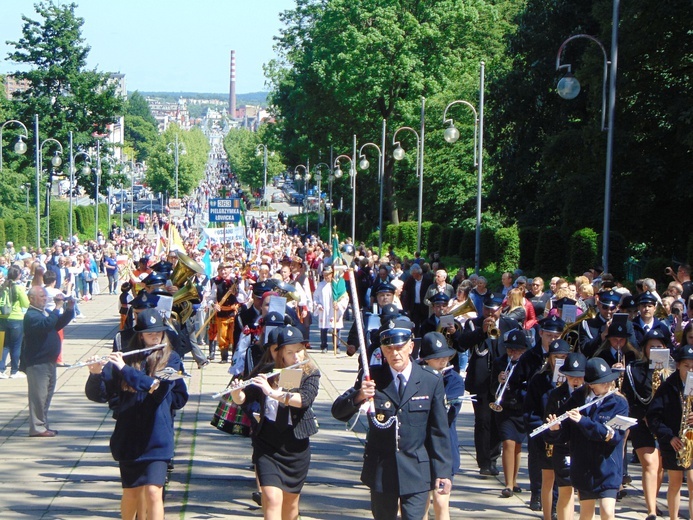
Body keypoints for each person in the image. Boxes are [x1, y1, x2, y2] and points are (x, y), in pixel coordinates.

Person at [332, 326, 452, 520]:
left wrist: (443, 472)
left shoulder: (430, 380)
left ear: (411, 347)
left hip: (417, 470)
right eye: (389, 349)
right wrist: (360, 395)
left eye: (399, 348)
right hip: (382, 471)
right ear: (382, 351)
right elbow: (338, 412)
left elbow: (439, 431)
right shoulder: (372, 378)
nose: (395, 353)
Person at [85, 308, 189, 520]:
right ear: (139, 335)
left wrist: (124, 369)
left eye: (158, 332)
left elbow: (156, 389)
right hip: (129, 436)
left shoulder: (172, 359)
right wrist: (95, 374)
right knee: (131, 494)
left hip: (157, 436)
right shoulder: (125, 359)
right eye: (149, 332)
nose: (154, 336)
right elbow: (100, 395)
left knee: (153, 491)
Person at [230, 325, 320, 520]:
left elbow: (303, 400)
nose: (296, 356)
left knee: (290, 505)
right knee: (271, 498)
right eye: (290, 352)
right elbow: (244, 399)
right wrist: (237, 393)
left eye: (299, 350)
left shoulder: (309, 372)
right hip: (267, 444)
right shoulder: (267, 372)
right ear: (279, 354)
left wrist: (272, 393)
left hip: (294, 446)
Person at [547, 358, 629, 520]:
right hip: (584, 467)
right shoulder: (577, 399)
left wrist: (584, 421)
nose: (608, 385)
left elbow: (613, 436)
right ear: (590, 384)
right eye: (602, 382)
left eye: (609, 381)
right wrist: (555, 429)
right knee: (586, 514)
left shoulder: (619, 402)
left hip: (608, 467)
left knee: (607, 511)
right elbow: (566, 434)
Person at [621, 329, 668, 520]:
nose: (656, 350)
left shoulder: (671, 371)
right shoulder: (633, 369)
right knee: (649, 463)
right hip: (642, 423)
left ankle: (653, 501)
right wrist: (643, 416)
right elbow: (628, 399)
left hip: (665, 425)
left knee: (659, 468)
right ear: (645, 349)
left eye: (660, 347)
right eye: (652, 347)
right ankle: (651, 511)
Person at [418, 331, 464, 520]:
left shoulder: (453, 380)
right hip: (420, 447)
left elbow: (447, 416)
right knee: (419, 503)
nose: (443, 361)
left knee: (441, 500)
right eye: (437, 358)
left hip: (444, 448)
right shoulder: (416, 377)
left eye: (445, 356)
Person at [646, 344, 693, 520]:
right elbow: (653, 417)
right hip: (674, 441)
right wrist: (669, 437)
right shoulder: (667, 387)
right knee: (675, 482)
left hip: (692, 439)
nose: (690, 370)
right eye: (686, 366)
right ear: (679, 365)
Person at [21, 285, 75, 436]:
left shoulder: (42, 313)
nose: (45, 299)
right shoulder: (31, 315)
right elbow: (46, 325)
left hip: (49, 361)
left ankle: (42, 425)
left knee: (46, 396)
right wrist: (57, 308)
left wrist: (69, 309)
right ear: (32, 298)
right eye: (41, 296)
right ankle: (37, 427)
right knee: (38, 396)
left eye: (45, 296)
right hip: (38, 363)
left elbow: (56, 324)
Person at [543, 352, 587, 520]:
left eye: (579, 377)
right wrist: (553, 429)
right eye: (571, 376)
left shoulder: (589, 396)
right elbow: (546, 425)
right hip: (563, 448)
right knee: (565, 490)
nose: (575, 381)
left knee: (584, 493)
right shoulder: (556, 395)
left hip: (584, 449)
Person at [491, 330, 529, 499]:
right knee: (508, 442)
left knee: (518, 445)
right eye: (510, 349)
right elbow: (491, 388)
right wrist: (498, 380)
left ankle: (514, 481)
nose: (513, 353)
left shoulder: (526, 364)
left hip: (520, 408)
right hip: (504, 408)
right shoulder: (499, 362)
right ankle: (507, 484)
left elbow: (528, 386)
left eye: (517, 350)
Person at [0, 265, 30, 379]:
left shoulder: (2, 286)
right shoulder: (19, 287)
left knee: (2, 345)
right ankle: (14, 370)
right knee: (16, 345)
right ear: (19, 275)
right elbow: (25, 304)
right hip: (16, 318)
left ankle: (1, 369)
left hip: (2, 317)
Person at [313, 266, 349, 353]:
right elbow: (316, 297)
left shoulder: (337, 285)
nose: (326, 277)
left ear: (332, 274)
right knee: (323, 328)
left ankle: (337, 346)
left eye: (328, 275)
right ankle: (324, 346)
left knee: (336, 328)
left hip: (334, 309)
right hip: (324, 309)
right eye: (325, 275)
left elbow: (344, 297)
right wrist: (318, 305)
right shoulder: (321, 285)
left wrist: (339, 305)